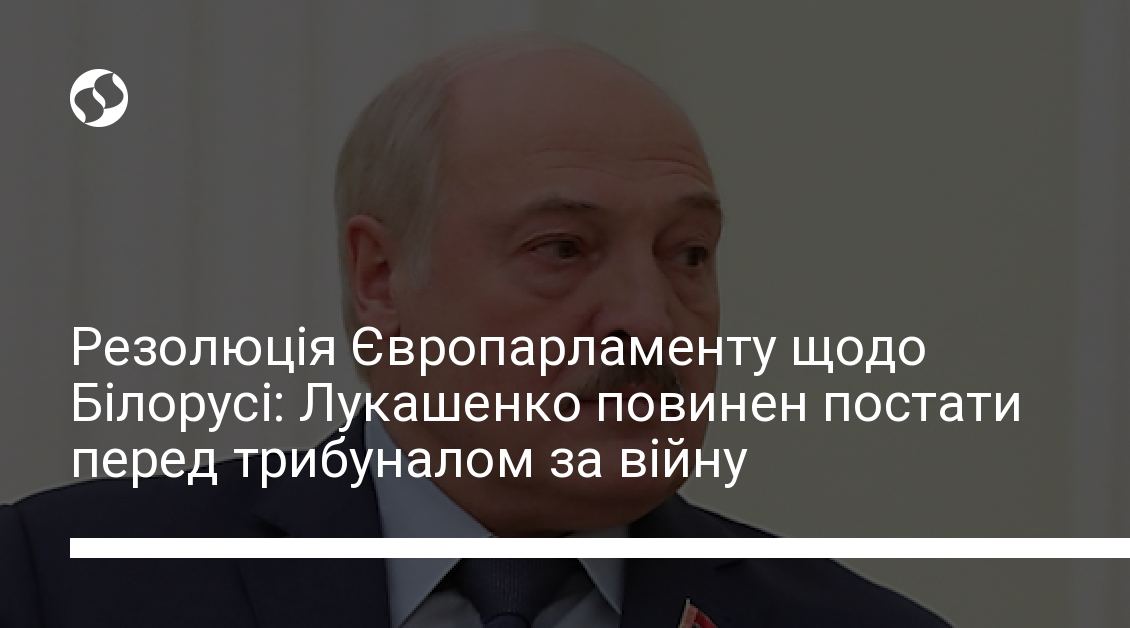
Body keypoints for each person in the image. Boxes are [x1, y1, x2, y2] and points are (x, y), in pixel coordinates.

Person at [0, 34, 949, 628]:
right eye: (563, 248)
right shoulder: (67, 581)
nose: (649, 318)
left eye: (688, 254)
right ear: (380, 279)